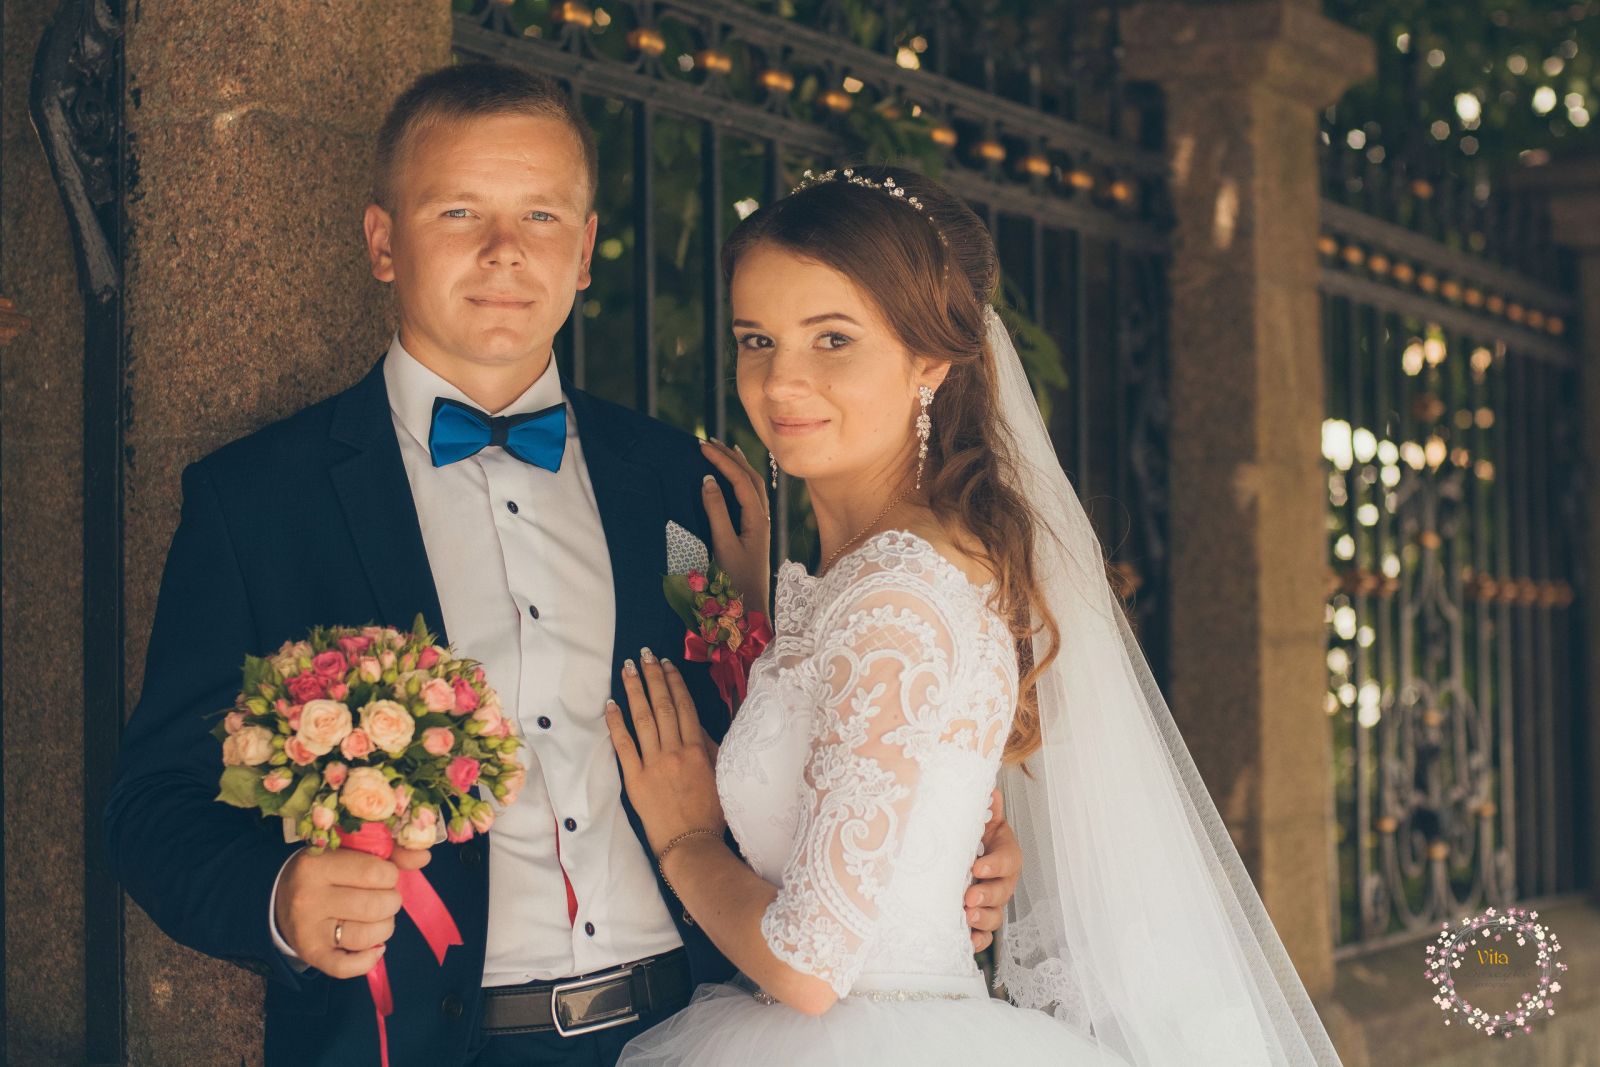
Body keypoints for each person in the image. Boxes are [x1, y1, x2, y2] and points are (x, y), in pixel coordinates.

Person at [104, 64, 1021, 1067]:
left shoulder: (682, 487)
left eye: (540, 215)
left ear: (583, 252)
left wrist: (944, 841)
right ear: (383, 242)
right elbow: (153, 807)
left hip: (690, 1026)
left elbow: (814, 726)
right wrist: (280, 897)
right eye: (460, 211)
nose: (505, 249)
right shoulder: (256, 502)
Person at [606, 165, 1347, 1066]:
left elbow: (809, 963)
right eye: (757, 339)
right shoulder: (892, 569)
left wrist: (685, 838)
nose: (781, 379)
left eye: (832, 338)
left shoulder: (895, 591)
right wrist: (760, 612)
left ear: (931, 359)